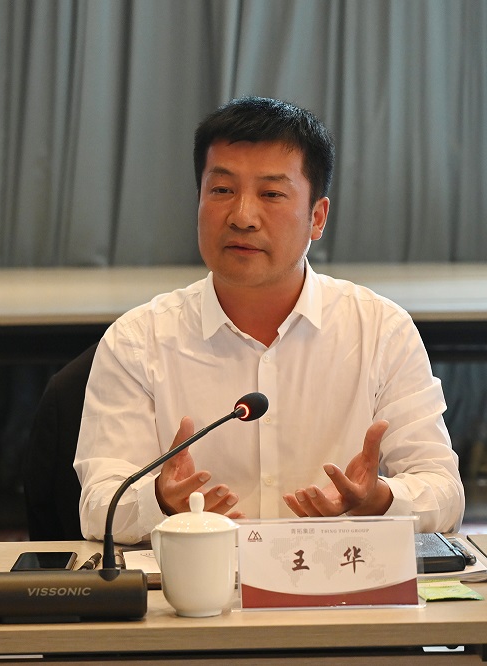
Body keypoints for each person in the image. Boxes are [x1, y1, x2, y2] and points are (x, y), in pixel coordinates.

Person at [75, 97, 464, 543]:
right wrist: (160, 499)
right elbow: (98, 507)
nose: (242, 217)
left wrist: (379, 499)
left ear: (317, 217)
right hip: (194, 584)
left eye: (272, 194)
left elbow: (444, 492)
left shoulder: (380, 330)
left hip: (334, 581)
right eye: (222, 190)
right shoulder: (137, 340)